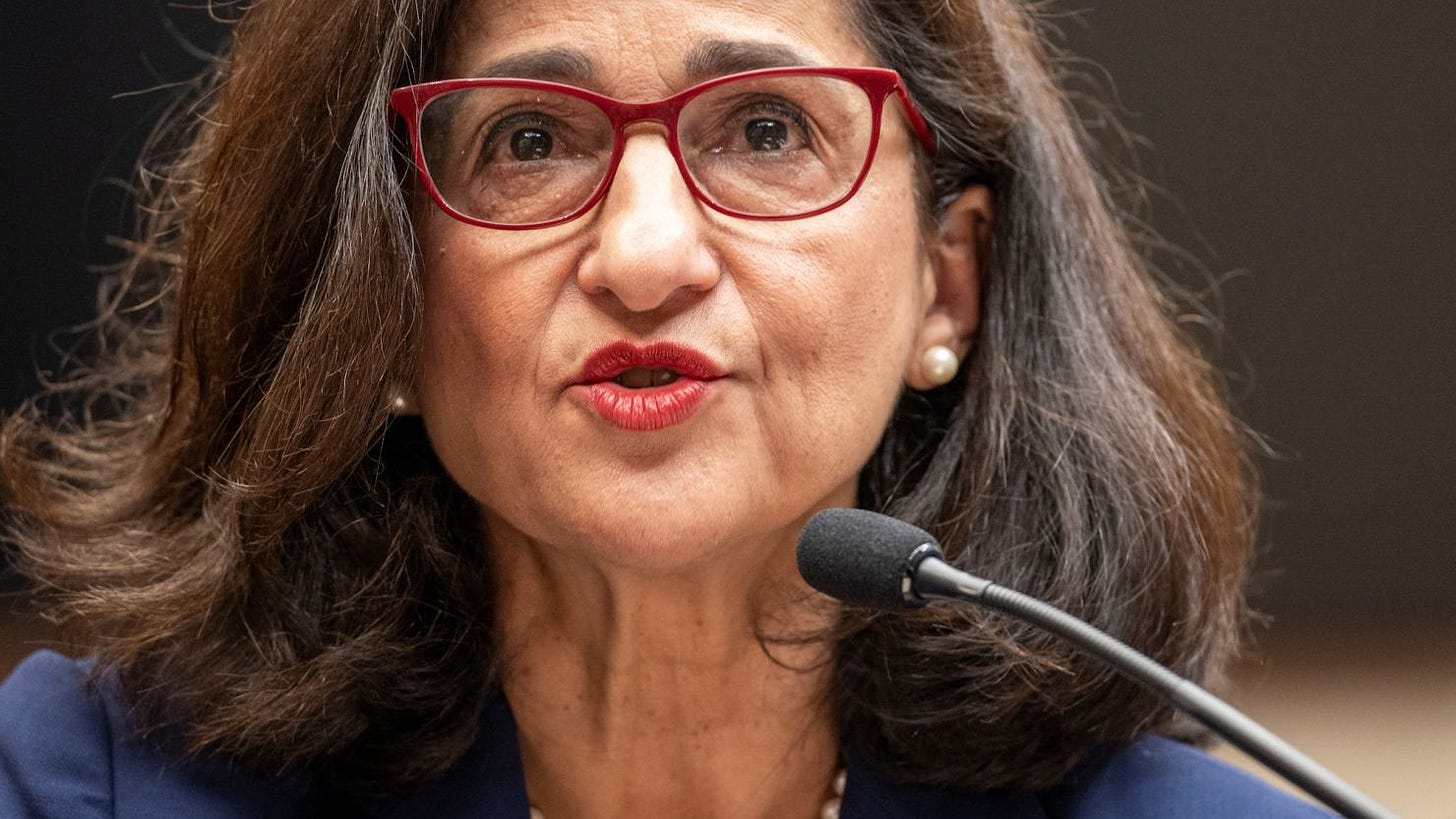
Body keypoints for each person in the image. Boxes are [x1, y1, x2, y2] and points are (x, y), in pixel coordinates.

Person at [0, 0, 1333, 816]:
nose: (644, 255)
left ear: (947, 288)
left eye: (763, 131)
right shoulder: (90, 792)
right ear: (384, 299)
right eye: (529, 139)